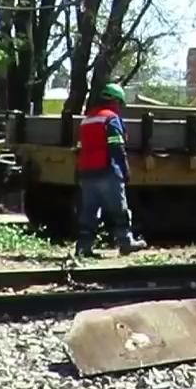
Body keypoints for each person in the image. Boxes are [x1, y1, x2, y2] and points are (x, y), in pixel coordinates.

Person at [75, 83, 148, 258]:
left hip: (86, 171)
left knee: (89, 211)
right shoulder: (111, 119)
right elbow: (116, 146)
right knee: (119, 209)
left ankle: (83, 247)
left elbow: (81, 147)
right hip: (107, 169)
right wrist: (125, 169)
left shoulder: (87, 119)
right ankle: (126, 242)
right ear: (116, 101)